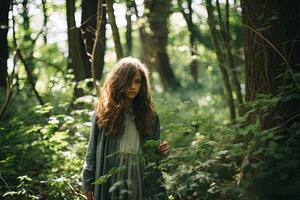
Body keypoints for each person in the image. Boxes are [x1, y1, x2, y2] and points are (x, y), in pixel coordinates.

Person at [82, 57, 170, 200]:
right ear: (119, 81)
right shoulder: (103, 115)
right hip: (111, 171)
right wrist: (87, 182)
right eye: (129, 81)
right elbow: (91, 152)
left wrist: (161, 152)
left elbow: (152, 157)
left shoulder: (150, 116)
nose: (133, 86)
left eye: (137, 81)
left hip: (139, 174)